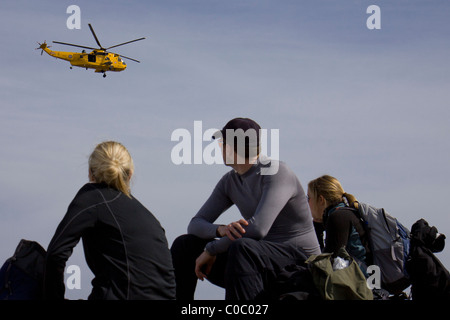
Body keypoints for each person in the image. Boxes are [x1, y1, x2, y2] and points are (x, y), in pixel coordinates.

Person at [170, 118, 321, 300]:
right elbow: (194, 224)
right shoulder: (229, 181)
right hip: (257, 260)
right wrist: (222, 230)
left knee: (242, 248)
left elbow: (258, 229)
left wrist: (212, 249)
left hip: (300, 264)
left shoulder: (277, 172)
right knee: (184, 245)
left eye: (222, 143)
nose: (219, 147)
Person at [44, 141, 175, 300]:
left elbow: (55, 254)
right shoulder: (150, 218)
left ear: (91, 173)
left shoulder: (92, 196)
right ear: (130, 174)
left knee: (23, 265)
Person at [307, 175, 372, 272]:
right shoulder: (345, 213)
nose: (307, 203)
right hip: (365, 280)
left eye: (309, 198)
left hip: (361, 283)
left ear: (321, 200)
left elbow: (326, 265)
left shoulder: (338, 217)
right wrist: (318, 225)